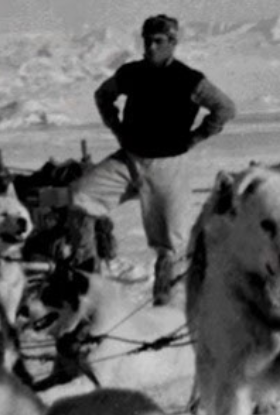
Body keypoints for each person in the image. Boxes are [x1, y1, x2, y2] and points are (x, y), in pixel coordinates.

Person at [69, 14, 236, 305]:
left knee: (171, 245)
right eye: (147, 40)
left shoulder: (189, 79)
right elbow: (103, 95)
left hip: (168, 166)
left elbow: (225, 108)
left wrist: (196, 137)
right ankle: (86, 282)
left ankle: (165, 302)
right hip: (129, 160)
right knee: (80, 196)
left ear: (172, 42)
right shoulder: (132, 73)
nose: (150, 47)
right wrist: (117, 127)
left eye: (158, 41)